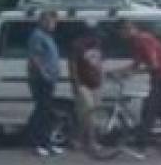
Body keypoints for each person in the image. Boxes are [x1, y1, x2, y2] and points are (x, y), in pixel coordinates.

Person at [117, 20, 161, 158]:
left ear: (128, 29)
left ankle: (140, 148)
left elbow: (154, 65)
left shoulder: (143, 39)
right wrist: (118, 71)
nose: (121, 35)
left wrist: (132, 73)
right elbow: (136, 63)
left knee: (148, 112)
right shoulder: (135, 43)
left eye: (122, 31)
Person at [25, 11, 64, 157]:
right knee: (41, 111)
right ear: (42, 21)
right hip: (40, 79)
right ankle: (37, 143)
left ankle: (47, 143)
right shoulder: (37, 36)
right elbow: (35, 58)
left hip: (49, 79)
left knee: (46, 111)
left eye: (54, 22)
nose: (53, 25)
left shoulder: (48, 37)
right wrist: (44, 74)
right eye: (51, 21)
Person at [68, 23, 104, 153]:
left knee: (86, 115)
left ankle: (77, 140)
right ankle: (92, 142)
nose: (97, 37)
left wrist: (101, 78)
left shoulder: (97, 45)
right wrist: (76, 84)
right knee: (89, 112)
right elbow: (72, 66)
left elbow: (99, 63)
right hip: (83, 84)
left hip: (96, 83)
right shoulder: (77, 46)